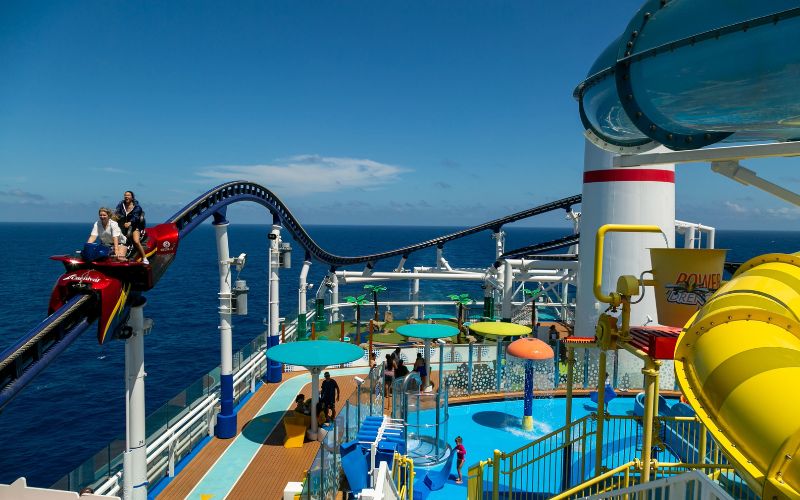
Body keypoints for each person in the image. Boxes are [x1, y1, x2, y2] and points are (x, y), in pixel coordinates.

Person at [115, 190, 148, 264]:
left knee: (136, 241)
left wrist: (130, 222)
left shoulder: (137, 207)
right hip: (123, 225)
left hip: (135, 225)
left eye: (128, 195)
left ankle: (144, 258)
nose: (126, 196)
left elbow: (136, 217)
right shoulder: (121, 205)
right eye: (125, 195)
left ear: (132, 197)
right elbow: (117, 212)